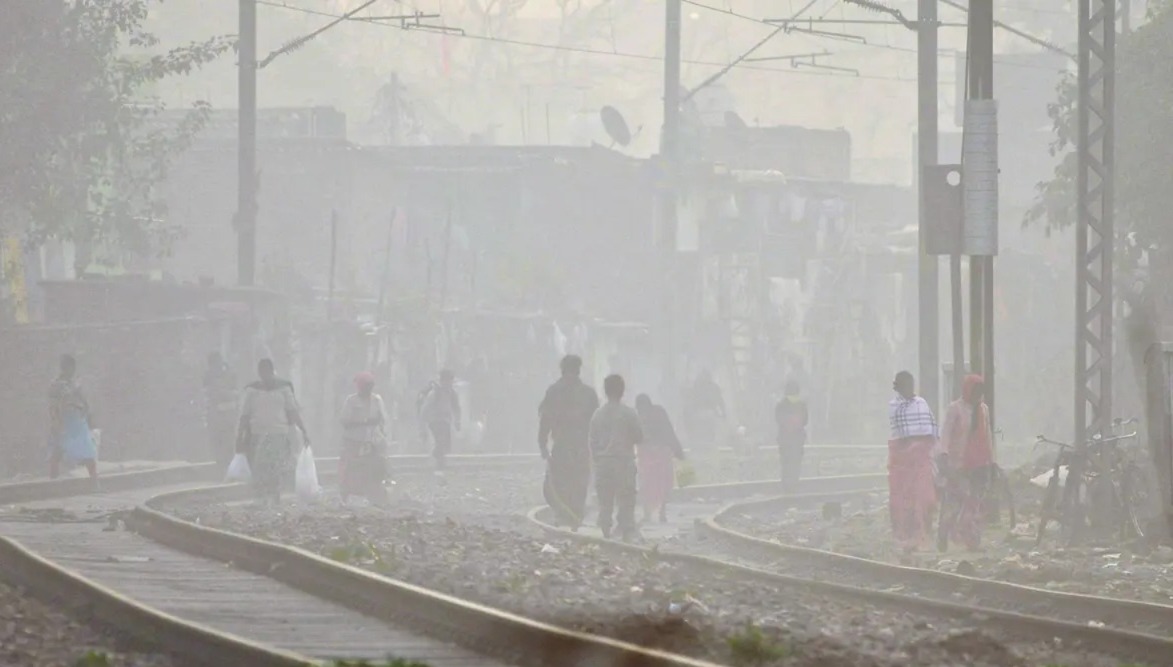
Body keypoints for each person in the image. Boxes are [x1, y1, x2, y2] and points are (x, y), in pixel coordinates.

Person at [538, 355, 600, 530]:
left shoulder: (554, 391)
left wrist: (542, 443)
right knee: (579, 482)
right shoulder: (588, 393)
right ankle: (574, 516)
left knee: (560, 482)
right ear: (579, 370)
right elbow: (597, 423)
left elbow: (545, 419)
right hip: (581, 446)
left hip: (563, 446)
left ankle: (566, 516)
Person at [236, 358, 309, 505]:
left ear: (272, 371)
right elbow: (245, 415)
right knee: (259, 466)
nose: (265, 375)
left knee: (275, 465)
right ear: (259, 373)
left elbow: (292, 411)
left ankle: (274, 495)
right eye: (262, 372)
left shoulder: (284, 389)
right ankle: (261, 495)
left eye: (267, 372)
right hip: (257, 434)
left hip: (278, 433)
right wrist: (239, 435)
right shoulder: (251, 391)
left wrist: (303, 430)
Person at [938, 374, 995, 550]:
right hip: (958, 464)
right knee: (954, 503)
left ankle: (972, 541)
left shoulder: (983, 410)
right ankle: (943, 534)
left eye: (980, 392)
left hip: (979, 464)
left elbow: (987, 435)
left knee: (974, 504)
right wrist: (943, 455)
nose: (978, 395)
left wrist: (991, 460)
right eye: (975, 391)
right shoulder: (955, 409)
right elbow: (946, 434)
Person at [887, 370, 939, 554]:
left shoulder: (921, 403)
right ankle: (905, 537)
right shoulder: (895, 406)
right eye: (906, 385)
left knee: (925, 499)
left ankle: (923, 535)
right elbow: (900, 435)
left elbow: (930, 430)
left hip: (921, 460)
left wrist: (926, 448)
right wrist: (911, 448)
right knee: (903, 502)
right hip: (902, 463)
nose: (910, 389)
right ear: (899, 387)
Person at [588, 374, 644, 541]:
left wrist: (598, 458)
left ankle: (605, 529)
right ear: (622, 391)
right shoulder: (629, 413)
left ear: (605, 391)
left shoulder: (598, 414)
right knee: (626, 498)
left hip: (604, 463)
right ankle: (626, 530)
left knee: (605, 500)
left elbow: (592, 440)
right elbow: (639, 437)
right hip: (623, 462)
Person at [339, 371, 389, 506]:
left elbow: (383, 419)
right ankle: (346, 495)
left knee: (374, 468)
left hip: (373, 440)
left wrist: (382, 436)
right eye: (366, 386)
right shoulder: (351, 401)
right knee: (351, 469)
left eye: (370, 386)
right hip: (354, 440)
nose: (368, 389)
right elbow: (344, 421)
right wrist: (363, 421)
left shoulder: (377, 400)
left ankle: (374, 495)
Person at [48, 354, 99, 484]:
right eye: (70, 367)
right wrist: (55, 420)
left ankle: (95, 482)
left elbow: (84, 401)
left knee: (87, 450)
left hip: (77, 421)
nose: (72, 371)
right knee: (58, 450)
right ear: (64, 367)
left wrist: (88, 415)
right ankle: (52, 481)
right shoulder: (56, 385)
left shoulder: (74, 383)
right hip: (64, 420)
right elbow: (53, 405)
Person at [635, 394, 684, 524]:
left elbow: (667, 431)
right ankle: (657, 512)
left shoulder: (642, 416)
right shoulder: (657, 412)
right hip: (658, 454)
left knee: (650, 484)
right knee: (659, 484)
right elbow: (669, 431)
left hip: (651, 455)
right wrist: (677, 449)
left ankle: (653, 513)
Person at [419, 369, 461, 471]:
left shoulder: (452, 393)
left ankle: (438, 458)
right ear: (443, 381)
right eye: (448, 381)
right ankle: (439, 463)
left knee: (445, 444)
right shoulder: (434, 393)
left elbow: (456, 408)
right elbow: (424, 410)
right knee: (441, 441)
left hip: (446, 421)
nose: (450, 384)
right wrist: (422, 427)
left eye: (451, 381)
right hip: (435, 421)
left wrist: (457, 421)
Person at [203, 352, 238, 469]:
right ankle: (221, 460)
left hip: (226, 414)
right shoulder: (208, 376)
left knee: (226, 438)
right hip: (217, 414)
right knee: (218, 438)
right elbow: (207, 394)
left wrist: (224, 393)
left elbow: (235, 393)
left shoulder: (229, 374)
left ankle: (226, 460)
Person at [775, 380, 809, 489]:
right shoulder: (802, 405)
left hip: (784, 438)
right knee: (796, 462)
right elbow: (805, 421)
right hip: (798, 438)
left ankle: (786, 484)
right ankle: (794, 483)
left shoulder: (781, 405)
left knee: (786, 462)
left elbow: (778, 420)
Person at [686, 370, 725, 450]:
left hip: (707, 412)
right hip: (700, 412)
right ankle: (701, 441)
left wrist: (723, 412)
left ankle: (709, 441)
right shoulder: (697, 387)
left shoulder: (713, 387)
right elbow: (692, 400)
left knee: (710, 426)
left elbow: (720, 401)